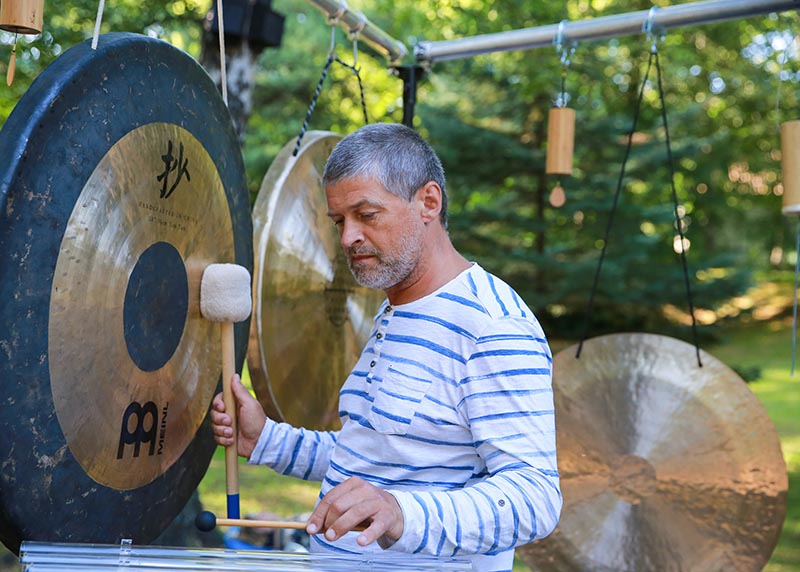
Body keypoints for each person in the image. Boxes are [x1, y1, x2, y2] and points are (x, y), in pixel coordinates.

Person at [211, 122, 561, 571]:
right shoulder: (394, 310)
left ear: (428, 203)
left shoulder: (491, 325)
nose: (347, 238)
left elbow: (534, 497)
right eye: (339, 221)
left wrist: (402, 514)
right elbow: (373, 457)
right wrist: (267, 440)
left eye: (366, 215)